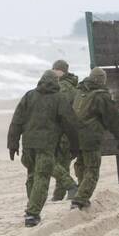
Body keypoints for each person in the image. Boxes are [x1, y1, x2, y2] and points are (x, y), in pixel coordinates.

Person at [7, 70, 81, 227]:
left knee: (32, 176)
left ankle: (32, 207)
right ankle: (32, 214)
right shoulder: (59, 98)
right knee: (42, 177)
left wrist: (12, 144)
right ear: (55, 82)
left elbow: (16, 122)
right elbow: (70, 124)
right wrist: (75, 146)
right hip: (46, 146)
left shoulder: (29, 96)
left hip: (28, 145)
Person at [70, 67, 119, 210]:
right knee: (92, 169)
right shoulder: (101, 96)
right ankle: (80, 199)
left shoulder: (79, 92)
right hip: (90, 138)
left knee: (81, 165)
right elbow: (112, 119)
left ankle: (81, 196)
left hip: (75, 137)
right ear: (102, 80)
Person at [50, 59, 80, 201]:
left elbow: (60, 109)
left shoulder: (63, 87)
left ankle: (70, 188)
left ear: (59, 71)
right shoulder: (73, 86)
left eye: (54, 70)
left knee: (54, 163)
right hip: (70, 131)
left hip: (63, 131)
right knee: (63, 163)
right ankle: (59, 194)